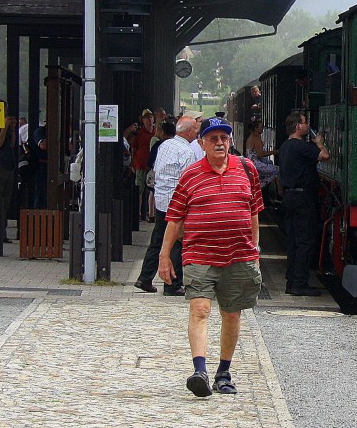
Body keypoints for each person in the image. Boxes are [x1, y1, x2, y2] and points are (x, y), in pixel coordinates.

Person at [158, 116, 264, 398]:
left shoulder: (247, 169)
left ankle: (223, 372)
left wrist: (255, 249)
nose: (219, 143)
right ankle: (200, 372)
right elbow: (174, 218)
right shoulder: (190, 175)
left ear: (230, 141)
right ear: (202, 143)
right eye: (213, 138)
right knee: (200, 309)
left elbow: (254, 212)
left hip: (239, 255)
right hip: (200, 254)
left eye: (224, 138)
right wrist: (164, 256)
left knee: (232, 313)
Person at [134, 115, 198, 295]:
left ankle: (145, 278)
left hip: (162, 199)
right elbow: (188, 180)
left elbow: (156, 169)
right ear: (188, 132)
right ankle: (173, 284)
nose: (196, 133)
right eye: (195, 130)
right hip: (177, 203)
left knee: (157, 240)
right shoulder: (187, 152)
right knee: (176, 243)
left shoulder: (165, 145)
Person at [279, 110, 330, 296]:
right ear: (297, 126)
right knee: (305, 241)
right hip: (303, 198)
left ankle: (291, 281)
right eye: (305, 122)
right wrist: (320, 144)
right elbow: (325, 156)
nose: (308, 125)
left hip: (289, 197)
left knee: (293, 240)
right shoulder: (301, 146)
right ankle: (300, 283)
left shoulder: (285, 146)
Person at [0, 109, 18, 242]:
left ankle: (2, 231)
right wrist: (5, 126)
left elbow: (12, 144)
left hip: (9, 166)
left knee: (6, 201)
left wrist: (12, 129)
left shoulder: (6, 128)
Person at [125, 109, 155, 217]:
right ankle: (137, 213)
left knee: (152, 190)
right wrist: (133, 164)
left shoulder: (156, 132)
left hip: (153, 167)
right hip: (140, 165)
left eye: (151, 117)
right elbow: (133, 150)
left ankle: (150, 213)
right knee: (139, 190)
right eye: (147, 118)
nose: (149, 120)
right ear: (143, 120)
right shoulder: (139, 133)